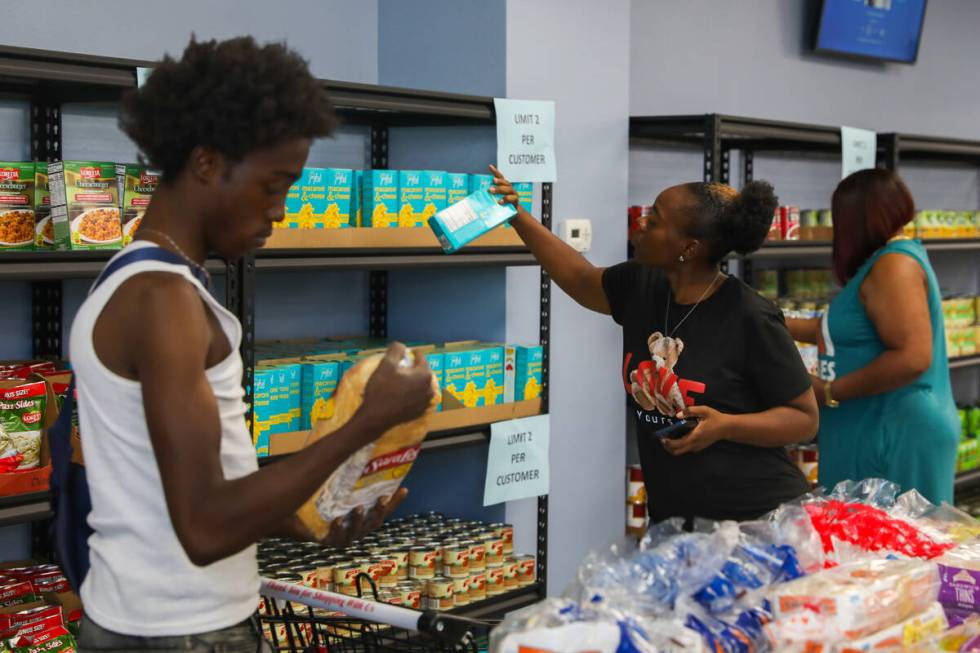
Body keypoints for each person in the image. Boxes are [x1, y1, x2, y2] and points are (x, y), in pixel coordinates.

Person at [70, 37, 435, 650]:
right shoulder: (162, 300)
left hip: (151, 622)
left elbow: (173, 498)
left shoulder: (151, 281)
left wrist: (305, 522)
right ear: (208, 164)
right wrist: (366, 422)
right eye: (273, 186)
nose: (281, 210)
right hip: (179, 636)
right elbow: (205, 527)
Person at [489, 166, 819, 526]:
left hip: (756, 520)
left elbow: (804, 419)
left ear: (689, 248)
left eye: (656, 220)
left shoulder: (750, 316)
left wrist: (726, 426)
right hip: (677, 518)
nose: (642, 224)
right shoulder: (642, 285)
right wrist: (517, 215)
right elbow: (582, 278)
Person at [786, 169, 958, 504]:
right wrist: (772, 320)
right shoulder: (887, 260)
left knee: (895, 548)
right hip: (873, 426)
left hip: (893, 432)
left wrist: (830, 391)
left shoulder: (894, 265)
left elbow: (912, 357)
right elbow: (844, 331)